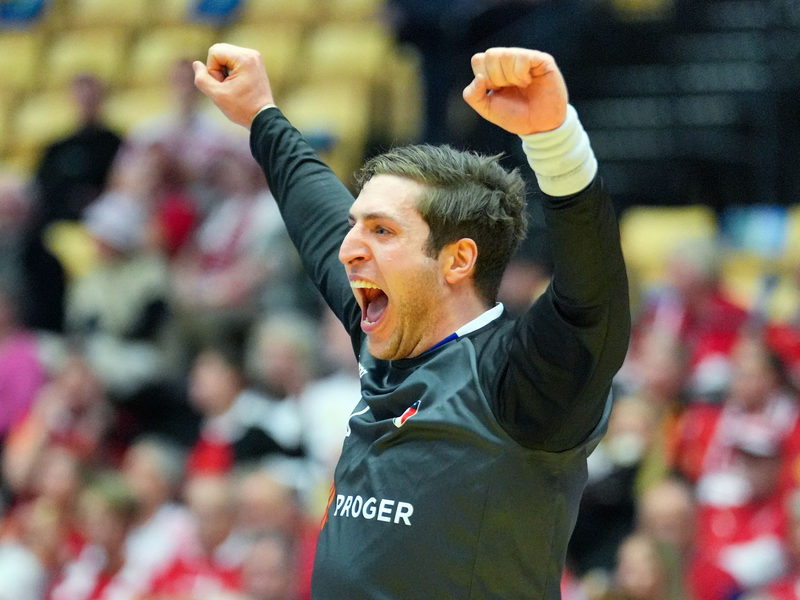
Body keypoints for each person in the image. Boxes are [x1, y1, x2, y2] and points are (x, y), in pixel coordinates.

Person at [193, 44, 630, 597]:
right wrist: (260, 113)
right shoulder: (386, 334)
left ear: (457, 260)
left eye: (381, 230)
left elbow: (591, 301)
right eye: (356, 225)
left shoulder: (521, 378)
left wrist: (554, 139)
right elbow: (316, 216)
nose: (349, 248)